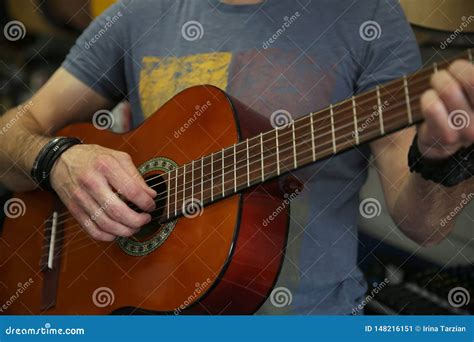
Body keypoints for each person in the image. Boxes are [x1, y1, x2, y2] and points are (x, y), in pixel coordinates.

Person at [0, 0, 472, 315]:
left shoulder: (366, 14)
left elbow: (424, 224)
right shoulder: (137, 12)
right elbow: (10, 134)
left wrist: (442, 158)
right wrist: (58, 161)